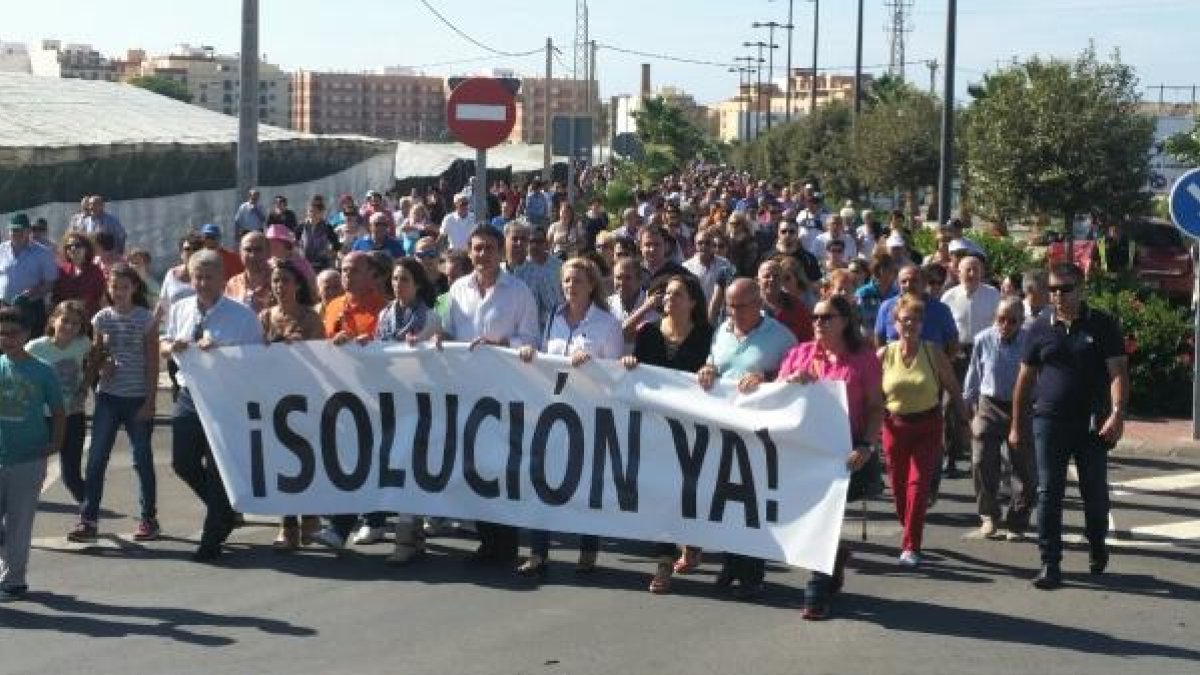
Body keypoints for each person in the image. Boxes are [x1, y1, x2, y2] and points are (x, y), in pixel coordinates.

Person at [761, 295, 882, 619]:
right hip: (802, 451)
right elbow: (775, 397)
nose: (818, 323)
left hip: (844, 452)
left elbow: (874, 408)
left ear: (844, 321)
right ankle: (834, 559)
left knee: (827, 518)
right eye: (815, 317)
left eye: (826, 317)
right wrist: (789, 383)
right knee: (807, 516)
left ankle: (816, 590)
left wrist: (867, 446)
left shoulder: (863, 358)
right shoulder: (799, 354)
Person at [1010, 262, 1127, 590]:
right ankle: (1050, 562)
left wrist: (1116, 412)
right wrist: (1017, 425)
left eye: (1065, 289)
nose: (1058, 296)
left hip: (1092, 424)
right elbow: (1024, 379)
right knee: (1048, 492)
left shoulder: (1102, 325)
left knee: (1094, 494)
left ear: (1081, 288)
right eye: (1053, 290)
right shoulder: (1038, 329)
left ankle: (1097, 542)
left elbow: (1118, 372)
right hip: (1048, 422)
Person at [516, 258, 624, 579]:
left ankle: (588, 548)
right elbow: (543, 354)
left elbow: (617, 373)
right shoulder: (553, 318)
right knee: (543, 478)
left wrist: (593, 364)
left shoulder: (607, 323)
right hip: (553, 408)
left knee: (584, 481)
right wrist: (529, 352)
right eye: (566, 281)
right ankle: (538, 551)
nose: (570, 287)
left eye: (577, 281)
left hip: (589, 412)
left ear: (591, 285)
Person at [440, 226, 539, 565]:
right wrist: (429, 338)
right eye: (477, 248)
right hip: (466, 390)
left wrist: (501, 346)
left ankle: (506, 541)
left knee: (500, 467)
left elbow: (532, 342)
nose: (483, 255)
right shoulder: (454, 290)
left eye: (489, 248)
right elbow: (441, 327)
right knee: (473, 466)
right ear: (469, 251)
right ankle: (487, 539)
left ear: (500, 251)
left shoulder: (519, 291)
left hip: (504, 391)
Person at [697, 279, 797, 598]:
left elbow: (793, 379)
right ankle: (731, 563)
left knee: (751, 502)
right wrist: (708, 369)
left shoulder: (781, 338)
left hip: (759, 431)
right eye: (730, 305)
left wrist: (766, 379)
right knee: (725, 498)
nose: (734, 312)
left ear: (758, 304)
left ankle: (753, 572)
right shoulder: (722, 332)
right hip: (724, 427)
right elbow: (714, 362)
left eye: (741, 306)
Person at [162, 250, 263, 561]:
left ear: (222, 279)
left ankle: (212, 537)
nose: (203, 283)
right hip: (191, 393)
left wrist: (222, 352)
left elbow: (257, 360)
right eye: (197, 277)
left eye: (209, 277)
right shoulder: (180, 308)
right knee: (183, 462)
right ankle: (226, 512)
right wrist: (170, 347)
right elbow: (163, 341)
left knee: (219, 467)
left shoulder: (242, 316)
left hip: (226, 396)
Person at [620, 274, 713, 593]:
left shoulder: (706, 335)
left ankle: (694, 537)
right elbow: (629, 351)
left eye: (676, 295)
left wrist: (710, 370)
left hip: (692, 424)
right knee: (661, 489)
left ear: (692, 302)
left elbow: (718, 368)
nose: (668, 300)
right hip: (656, 425)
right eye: (666, 295)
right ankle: (663, 561)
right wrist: (630, 361)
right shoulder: (647, 333)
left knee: (690, 486)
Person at [68, 264, 160, 543]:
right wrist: (97, 371)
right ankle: (89, 519)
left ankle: (148, 518)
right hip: (108, 397)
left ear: (134, 288)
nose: (118, 292)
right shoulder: (101, 318)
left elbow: (154, 363)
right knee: (95, 460)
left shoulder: (146, 319)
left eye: (124, 287)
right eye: (114, 286)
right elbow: (95, 357)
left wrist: (151, 401)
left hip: (137, 398)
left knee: (142, 460)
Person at [878, 295, 968, 568]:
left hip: (928, 426)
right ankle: (909, 528)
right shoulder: (884, 354)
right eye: (906, 319)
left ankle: (910, 545)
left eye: (917, 320)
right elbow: (870, 392)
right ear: (895, 323)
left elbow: (952, 386)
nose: (911, 324)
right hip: (894, 426)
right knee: (898, 488)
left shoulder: (933, 352)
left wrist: (965, 420)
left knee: (918, 487)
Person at [312, 251, 390, 549]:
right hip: (337, 393)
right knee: (347, 458)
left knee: (366, 459)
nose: (347, 275)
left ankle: (352, 524)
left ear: (371, 274)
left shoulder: (382, 309)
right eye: (343, 270)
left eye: (354, 270)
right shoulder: (331, 306)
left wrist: (362, 345)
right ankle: (369, 519)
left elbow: (386, 351)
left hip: (372, 396)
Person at [374, 258, 441, 563]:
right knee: (397, 463)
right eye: (395, 279)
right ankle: (411, 531)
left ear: (417, 284)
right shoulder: (385, 315)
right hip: (392, 399)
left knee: (411, 462)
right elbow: (379, 353)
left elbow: (435, 360)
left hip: (421, 400)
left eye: (405, 280)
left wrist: (423, 345)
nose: (398, 285)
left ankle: (405, 534)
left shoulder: (430, 318)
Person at [258, 258, 325, 550]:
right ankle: (287, 524)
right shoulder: (264, 317)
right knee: (280, 461)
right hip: (274, 396)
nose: (279, 286)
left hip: (305, 396)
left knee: (304, 458)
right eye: (275, 281)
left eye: (285, 280)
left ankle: (310, 517)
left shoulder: (311, 318)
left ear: (297, 284)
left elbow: (323, 358)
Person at [0, 307, 65, 600]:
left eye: (13, 333)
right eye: (2, 334)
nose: (7, 339)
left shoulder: (42, 370)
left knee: (19, 521)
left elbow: (59, 411)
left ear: (26, 335)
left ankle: (14, 578)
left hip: (28, 457)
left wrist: (56, 442)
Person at [963, 298, 1036, 540]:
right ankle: (989, 515)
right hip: (989, 404)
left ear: (1021, 321)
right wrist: (970, 412)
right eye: (1001, 319)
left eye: (1012, 320)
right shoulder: (984, 339)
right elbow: (974, 375)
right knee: (981, 459)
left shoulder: (1029, 341)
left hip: (1020, 406)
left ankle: (1017, 519)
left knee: (1023, 465)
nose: (1005, 324)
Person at [25, 300, 92, 506]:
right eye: (65, 321)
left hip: (72, 416)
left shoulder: (83, 344)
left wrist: (84, 387)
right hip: (42, 418)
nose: (69, 327)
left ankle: (89, 513)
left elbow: (96, 360)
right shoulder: (35, 348)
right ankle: (15, 515)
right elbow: (19, 374)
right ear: (53, 320)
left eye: (76, 324)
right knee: (33, 474)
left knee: (70, 475)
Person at [1, 214, 58, 339]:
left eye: (20, 230)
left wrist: (34, 291)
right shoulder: (1, 250)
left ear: (28, 231)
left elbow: (50, 283)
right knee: (5, 343)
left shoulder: (43, 252)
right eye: (13, 230)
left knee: (30, 344)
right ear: (8, 231)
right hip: (4, 307)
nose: (16, 233)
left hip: (31, 307)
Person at [504, 222, 562, 334]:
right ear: (505, 240)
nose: (519, 243)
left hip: (528, 336)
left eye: (523, 239)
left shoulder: (537, 272)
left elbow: (551, 308)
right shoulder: (495, 270)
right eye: (514, 239)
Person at [682, 227, 735, 321]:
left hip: (719, 316)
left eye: (707, 243)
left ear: (712, 245)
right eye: (700, 243)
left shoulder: (724, 263)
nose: (704, 246)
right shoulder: (686, 267)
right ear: (695, 246)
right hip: (696, 315)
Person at [52, 232, 106, 321]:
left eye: (77, 245)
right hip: (66, 320)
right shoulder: (61, 271)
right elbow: (56, 297)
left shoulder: (95, 271)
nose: (73, 248)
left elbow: (101, 298)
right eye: (68, 247)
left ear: (86, 248)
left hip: (88, 320)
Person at [758, 258, 813, 343]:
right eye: (767, 276)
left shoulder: (797, 305)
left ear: (781, 279)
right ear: (758, 280)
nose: (772, 279)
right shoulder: (750, 306)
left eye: (776, 276)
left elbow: (807, 338)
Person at [225, 232, 274, 314]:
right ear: (240, 253)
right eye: (248, 250)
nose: (253, 255)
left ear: (268, 252)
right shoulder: (233, 283)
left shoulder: (280, 281)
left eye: (258, 250)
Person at [265, 224, 317, 289]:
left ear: (286, 244)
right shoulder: (267, 264)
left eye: (275, 242)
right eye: (268, 242)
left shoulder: (301, 263)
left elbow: (312, 285)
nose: (271, 245)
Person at [297, 196, 339, 273]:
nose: (312, 214)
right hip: (305, 264)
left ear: (321, 213)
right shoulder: (301, 226)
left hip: (322, 264)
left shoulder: (327, 227)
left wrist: (330, 254)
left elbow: (336, 244)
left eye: (315, 212)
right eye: (310, 211)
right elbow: (294, 242)